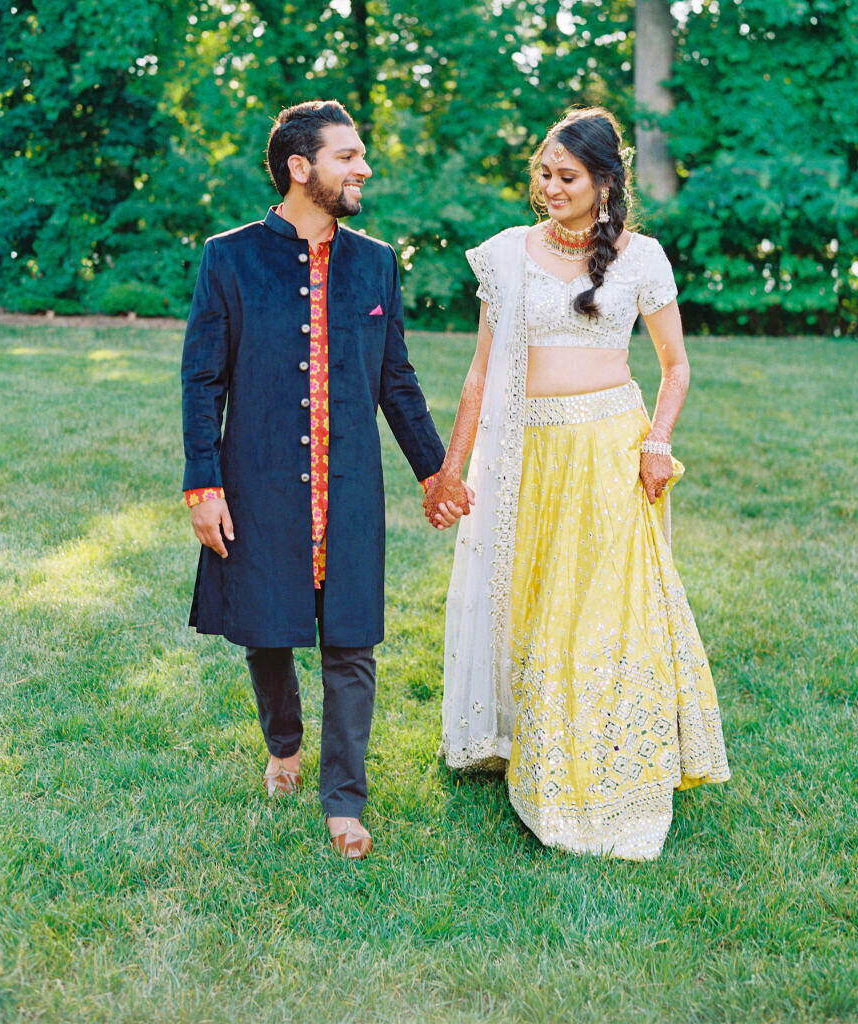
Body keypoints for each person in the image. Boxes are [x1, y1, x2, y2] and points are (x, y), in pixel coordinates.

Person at [425, 106, 730, 860]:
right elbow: (478, 373)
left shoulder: (642, 258)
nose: (549, 187)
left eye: (566, 177)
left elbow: (675, 366)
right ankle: (529, 740)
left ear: (604, 183)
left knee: (601, 609)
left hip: (608, 451)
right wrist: (451, 468)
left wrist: (659, 441)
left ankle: (606, 759)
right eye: (544, 174)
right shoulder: (507, 254)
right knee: (531, 601)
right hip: (527, 455)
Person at [181, 99, 447, 859]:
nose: (363, 167)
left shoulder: (376, 261)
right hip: (258, 479)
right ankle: (284, 745)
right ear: (301, 168)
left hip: (351, 487)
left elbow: (396, 380)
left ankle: (344, 799)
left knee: (352, 642)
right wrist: (205, 485)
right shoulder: (227, 257)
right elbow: (203, 380)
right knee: (266, 631)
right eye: (348, 156)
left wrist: (433, 471)